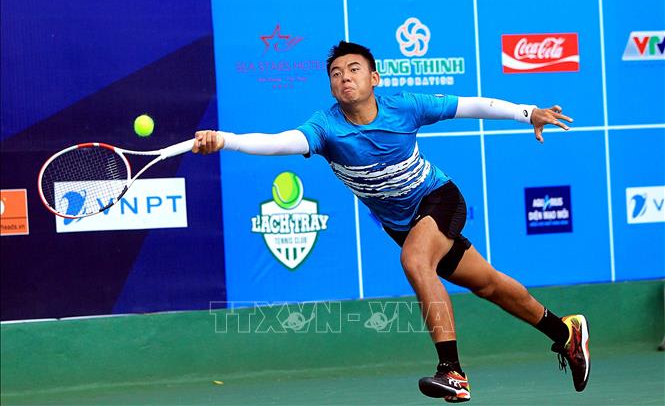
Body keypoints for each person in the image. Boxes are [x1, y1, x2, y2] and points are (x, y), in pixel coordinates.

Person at [193, 41, 590, 402]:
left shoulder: (405, 107)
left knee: (415, 261)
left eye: (354, 70)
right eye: (336, 74)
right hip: (402, 224)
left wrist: (527, 113)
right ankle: (566, 333)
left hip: (439, 199)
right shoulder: (325, 128)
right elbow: (279, 141)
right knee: (487, 284)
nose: (345, 78)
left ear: (374, 78)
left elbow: (473, 106)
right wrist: (226, 139)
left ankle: (452, 372)